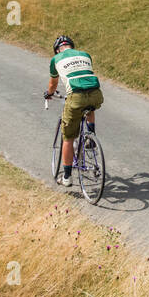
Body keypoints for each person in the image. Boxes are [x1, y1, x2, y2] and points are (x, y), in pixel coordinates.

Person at [45, 35, 103, 186]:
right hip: (96, 94)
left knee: (68, 138)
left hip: (76, 97)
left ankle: (67, 177)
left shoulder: (56, 59)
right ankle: (90, 136)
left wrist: (49, 94)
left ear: (57, 50)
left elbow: (53, 84)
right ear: (72, 46)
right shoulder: (85, 55)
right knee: (89, 108)